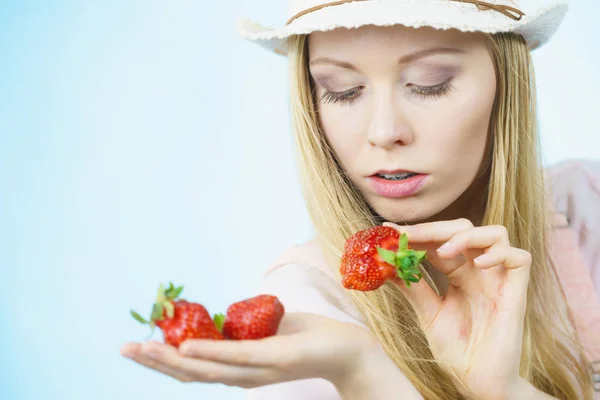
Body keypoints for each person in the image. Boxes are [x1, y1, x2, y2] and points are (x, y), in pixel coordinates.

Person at [120, 0, 600, 398]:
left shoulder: (587, 202)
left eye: (430, 82)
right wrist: (361, 372)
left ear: (507, 83)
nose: (384, 131)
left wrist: (503, 390)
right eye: (342, 91)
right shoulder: (308, 309)